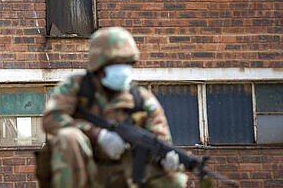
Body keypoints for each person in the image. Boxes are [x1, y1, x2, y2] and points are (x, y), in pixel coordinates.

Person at [41, 26, 189, 188]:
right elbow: (51, 118)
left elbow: (160, 139)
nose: (123, 70)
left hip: (126, 175)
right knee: (68, 137)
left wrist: (168, 160)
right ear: (99, 66)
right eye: (116, 64)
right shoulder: (77, 86)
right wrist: (98, 135)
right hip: (85, 172)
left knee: (174, 180)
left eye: (127, 63)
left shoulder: (141, 99)